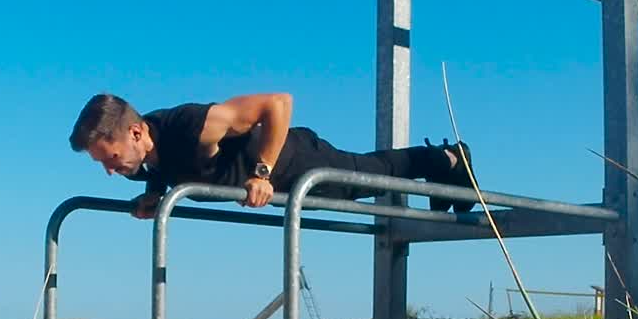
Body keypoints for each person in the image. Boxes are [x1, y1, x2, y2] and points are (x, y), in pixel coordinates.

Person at [68, 92, 475, 219]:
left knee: (372, 174)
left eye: (111, 158)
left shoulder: (193, 126)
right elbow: (162, 165)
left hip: (295, 161)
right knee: (371, 178)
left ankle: (450, 161)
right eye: (102, 163)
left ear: (137, 132)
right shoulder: (138, 159)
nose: (110, 171)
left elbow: (278, 103)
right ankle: (444, 173)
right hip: (276, 184)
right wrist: (153, 194)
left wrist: (261, 172)